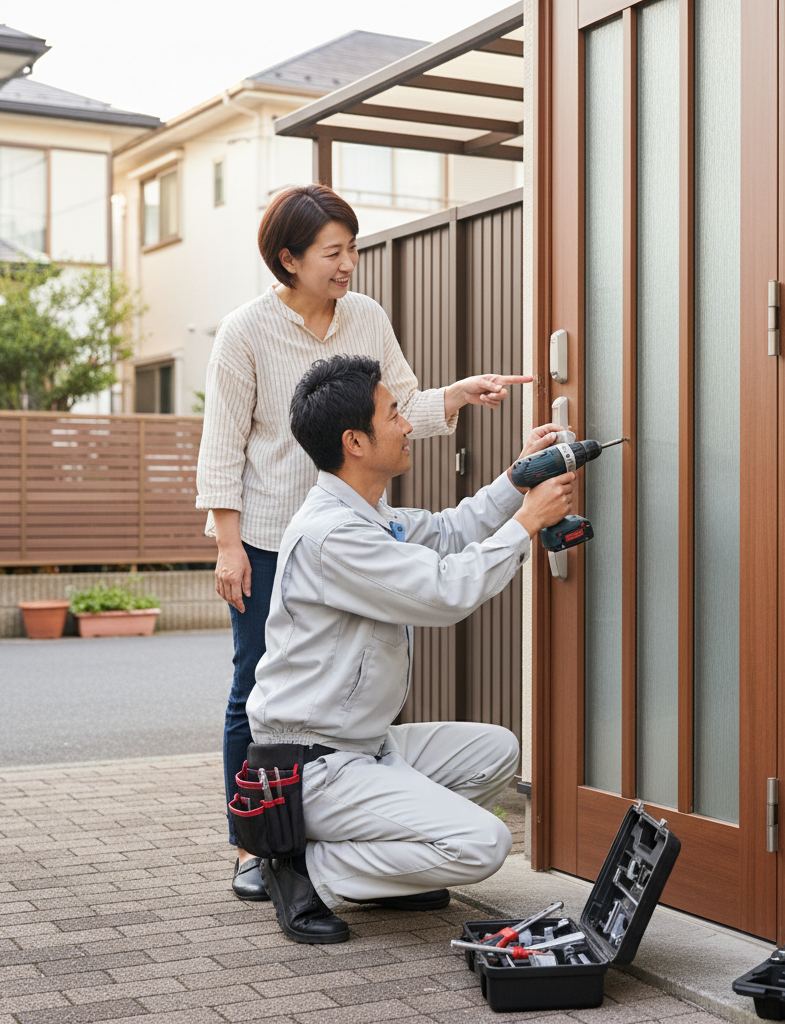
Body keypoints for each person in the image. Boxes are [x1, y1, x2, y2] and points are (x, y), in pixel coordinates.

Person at [194, 184, 530, 902]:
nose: (349, 264)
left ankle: (368, 823)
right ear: (289, 258)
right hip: (270, 540)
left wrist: (460, 395)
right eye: (333, 252)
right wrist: (228, 546)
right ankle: (260, 844)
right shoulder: (246, 330)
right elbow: (221, 446)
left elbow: (396, 407)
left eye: (353, 248)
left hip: (359, 524)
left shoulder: (366, 316)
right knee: (257, 692)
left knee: (358, 676)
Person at [245, 353, 575, 943]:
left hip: (365, 746)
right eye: (394, 413)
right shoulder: (333, 536)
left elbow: (450, 531)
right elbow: (446, 592)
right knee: (484, 842)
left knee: (495, 750)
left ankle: (387, 872)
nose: (406, 424)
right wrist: (527, 524)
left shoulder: (369, 514)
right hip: (315, 766)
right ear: (355, 442)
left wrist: (517, 478)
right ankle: (302, 870)